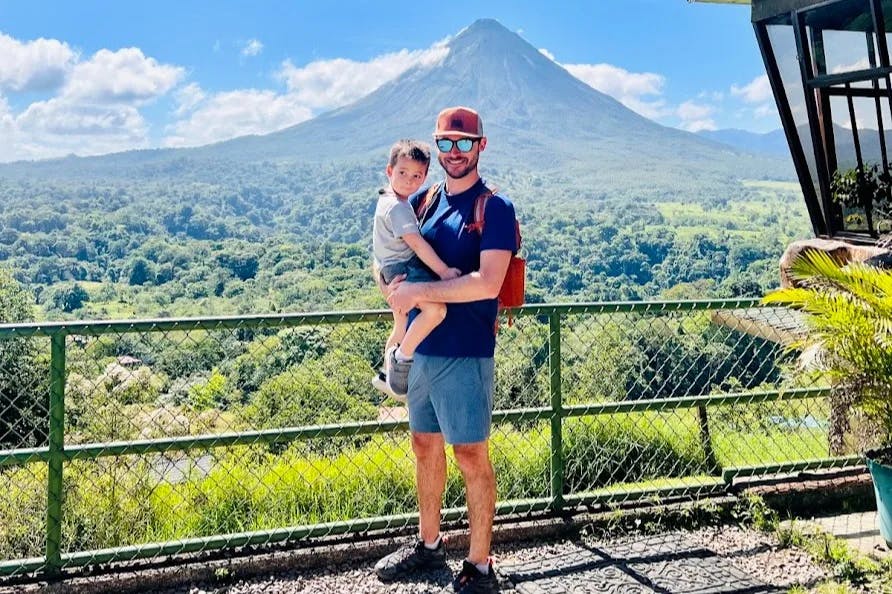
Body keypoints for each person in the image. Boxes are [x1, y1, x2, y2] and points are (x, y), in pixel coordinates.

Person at [374, 107, 516, 593]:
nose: (454, 152)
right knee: (424, 445)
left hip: (466, 351)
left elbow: (488, 282)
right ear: (437, 146)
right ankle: (430, 545)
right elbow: (398, 255)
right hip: (424, 348)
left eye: (464, 143)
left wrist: (420, 295)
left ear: (481, 145)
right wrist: (393, 287)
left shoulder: (493, 209)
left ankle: (479, 566)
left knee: (471, 454)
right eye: (446, 143)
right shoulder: (426, 199)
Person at [372, 139, 462, 398]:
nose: (409, 181)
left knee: (401, 324)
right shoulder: (398, 208)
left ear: (424, 178)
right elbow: (418, 245)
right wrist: (444, 273)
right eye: (402, 173)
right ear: (389, 171)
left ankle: (388, 375)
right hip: (405, 269)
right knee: (436, 310)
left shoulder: (386, 199)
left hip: (390, 270)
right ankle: (401, 359)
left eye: (416, 176)